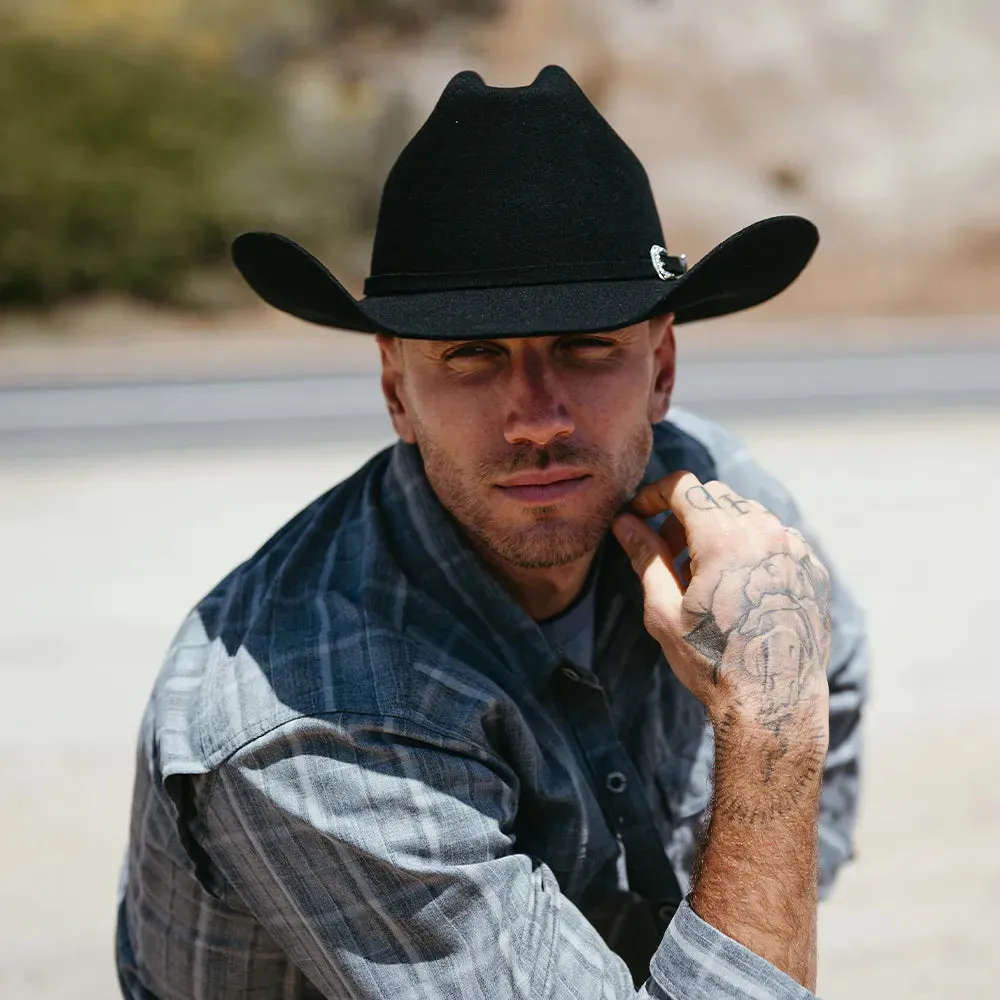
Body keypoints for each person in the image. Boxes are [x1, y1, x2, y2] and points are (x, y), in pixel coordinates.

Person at [116, 66, 867, 999]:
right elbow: (796, 720)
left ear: (661, 365)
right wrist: (767, 725)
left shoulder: (721, 497)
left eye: (587, 345)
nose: (537, 417)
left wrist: (761, 876)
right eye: (471, 355)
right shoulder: (316, 716)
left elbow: (835, 678)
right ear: (396, 390)